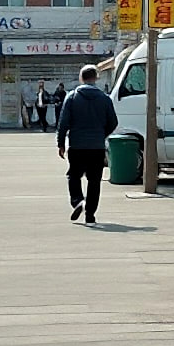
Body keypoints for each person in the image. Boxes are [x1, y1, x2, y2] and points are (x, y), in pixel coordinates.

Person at [56, 64, 119, 226]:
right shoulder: (105, 98)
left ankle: (77, 200)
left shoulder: (72, 96)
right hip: (97, 147)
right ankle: (90, 214)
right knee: (94, 180)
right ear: (96, 78)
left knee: (74, 175)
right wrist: (100, 135)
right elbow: (113, 122)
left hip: (77, 145)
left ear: (81, 78)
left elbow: (63, 123)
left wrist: (61, 143)